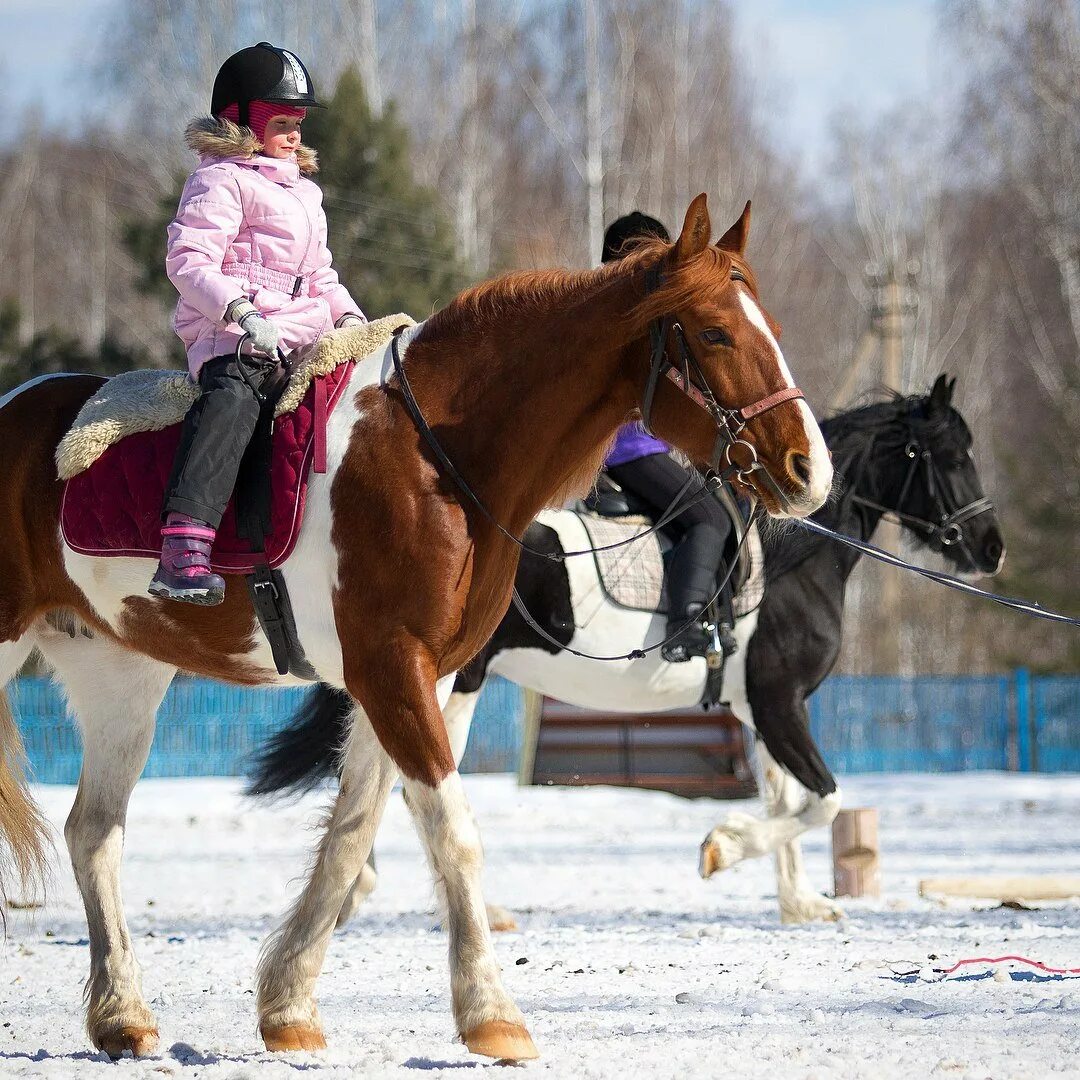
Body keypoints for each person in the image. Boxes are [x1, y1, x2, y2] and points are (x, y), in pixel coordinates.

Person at [149, 42, 365, 605]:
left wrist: (353, 320)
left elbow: (320, 275)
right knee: (236, 398)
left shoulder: (306, 194)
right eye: (281, 122)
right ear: (240, 121)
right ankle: (184, 541)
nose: (294, 134)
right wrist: (240, 313)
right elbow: (189, 260)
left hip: (297, 331)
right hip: (232, 335)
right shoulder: (219, 180)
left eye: (298, 123)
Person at [601, 212, 735, 662]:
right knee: (711, 519)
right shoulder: (635, 318)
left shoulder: (602, 310)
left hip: (632, 448)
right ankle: (686, 622)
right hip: (629, 450)